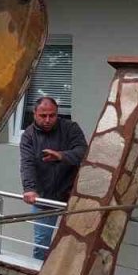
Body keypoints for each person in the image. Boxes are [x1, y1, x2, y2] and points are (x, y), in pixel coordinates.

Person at [19, 96, 87, 261]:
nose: (48, 120)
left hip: (71, 195)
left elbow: (84, 152)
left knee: (76, 244)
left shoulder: (70, 128)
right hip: (45, 197)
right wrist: (29, 189)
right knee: (42, 242)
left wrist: (61, 156)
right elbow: (27, 164)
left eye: (52, 115)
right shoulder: (28, 136)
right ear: (34, 113)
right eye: (43, 116)